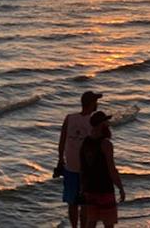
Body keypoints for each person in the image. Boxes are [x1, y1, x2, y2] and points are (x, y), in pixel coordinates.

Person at [56, 91, 102, 228]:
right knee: (85, 203)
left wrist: (60, 159)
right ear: (92, 104)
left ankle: (74, 227)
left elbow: (62, 141)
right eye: (95, 101)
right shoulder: (93, 122)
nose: (97, 104)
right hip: (86, 169)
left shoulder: (69, 118)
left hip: (70, 165)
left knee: (72, 202)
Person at [80, 111, 125, 228]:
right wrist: (120, 188)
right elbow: (112, 169)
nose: (108, 124)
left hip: (89, 188)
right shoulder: (106, 144)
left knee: (91, 222)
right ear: (101, 124)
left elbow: (83, 167)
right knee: (108, 223)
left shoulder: (85, 142)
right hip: (104, 189)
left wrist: (82, 187)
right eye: (106, 121)